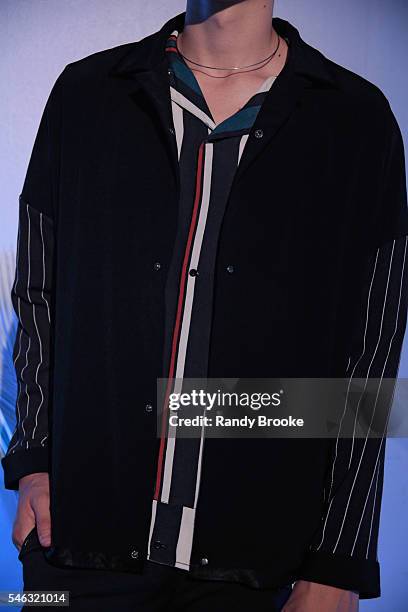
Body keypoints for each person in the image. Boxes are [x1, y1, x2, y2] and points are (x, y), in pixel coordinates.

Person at [2, 1, 408, 610]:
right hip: (77, 551)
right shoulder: (85, 94)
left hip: (258, 562)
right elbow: (38, 294)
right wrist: (33, 462)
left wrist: (341, 564)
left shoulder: (355, 119)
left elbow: (369, 351)